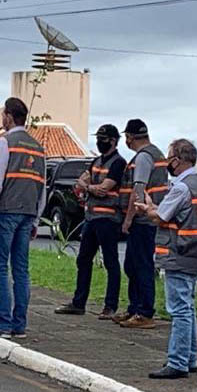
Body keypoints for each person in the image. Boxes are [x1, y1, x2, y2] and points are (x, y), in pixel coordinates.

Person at [136, 139, 197, 379]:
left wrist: (147, 208)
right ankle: (189, 358)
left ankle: (178, 362)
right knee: (188, 307)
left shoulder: (181, 188)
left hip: (179, 252)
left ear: (177, 160)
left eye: (170, 158)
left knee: (179, 309)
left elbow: (160, 217)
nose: (168, 163)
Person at [0, 97, 47, 340]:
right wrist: (36, 218)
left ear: (9, 116)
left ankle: (3, 322)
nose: (2, 119)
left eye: (3, 115)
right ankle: (19, 324)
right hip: (28, 213)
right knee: (21, 270)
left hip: (6, 211)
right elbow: (43, 186)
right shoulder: (38, 148)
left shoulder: (5, 142)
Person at [55, 124, 126, 320]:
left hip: (108, 219)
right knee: (83, 260)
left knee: (111, 262)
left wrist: (88, 187)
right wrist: (89, 186)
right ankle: (78, 303)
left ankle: (110, 306)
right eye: (98, 138)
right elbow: (81, 182)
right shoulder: (96, 161)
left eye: (103, 139)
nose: (99, 142)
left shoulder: (118, 163)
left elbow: (103, 189)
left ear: (113, 141)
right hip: (91, 217)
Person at [116, 119, 168, 329]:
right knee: (132, 265)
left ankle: (144, 312)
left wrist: (128, 219)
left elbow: (138, 191)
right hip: (151, 216)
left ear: (129, 137)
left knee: (141, 265)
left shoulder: (144, 157)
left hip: (144, 219)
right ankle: (134, 308)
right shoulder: (157, 154)